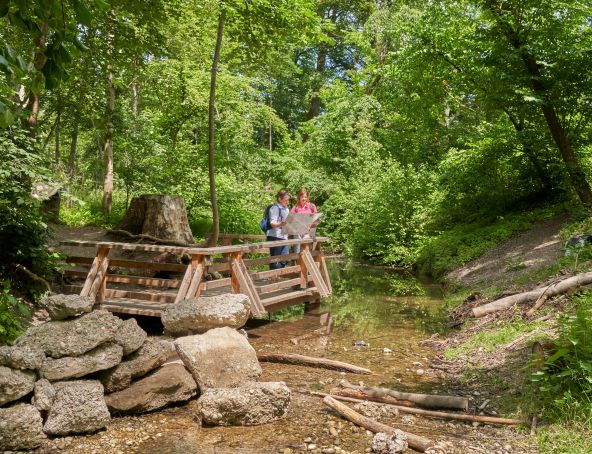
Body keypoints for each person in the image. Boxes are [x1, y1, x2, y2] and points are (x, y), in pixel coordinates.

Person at [266, 189, 290, 270]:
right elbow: (272, 223)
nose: (287, 202)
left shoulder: (286, 209)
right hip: (275, 236)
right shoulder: (274, 208)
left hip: (284, 236)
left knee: (285, 259)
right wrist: (281, 223)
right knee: (275, 260)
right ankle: (273, 278)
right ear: (280, 199)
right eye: (286, 200)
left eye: (288, 200)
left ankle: (275, 276)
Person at [290, 188, 318, 253]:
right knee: (297, 251)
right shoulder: (295, 207)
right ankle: (298, 260)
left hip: (309, 231)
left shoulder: (312, 206)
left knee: (305, 249)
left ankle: (305, 259)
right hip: (298, 232)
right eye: (302, 197)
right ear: (299, 197)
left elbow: (316, 219)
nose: (304, 199)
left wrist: (310, 226)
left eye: (305, 197)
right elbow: (290, 220)